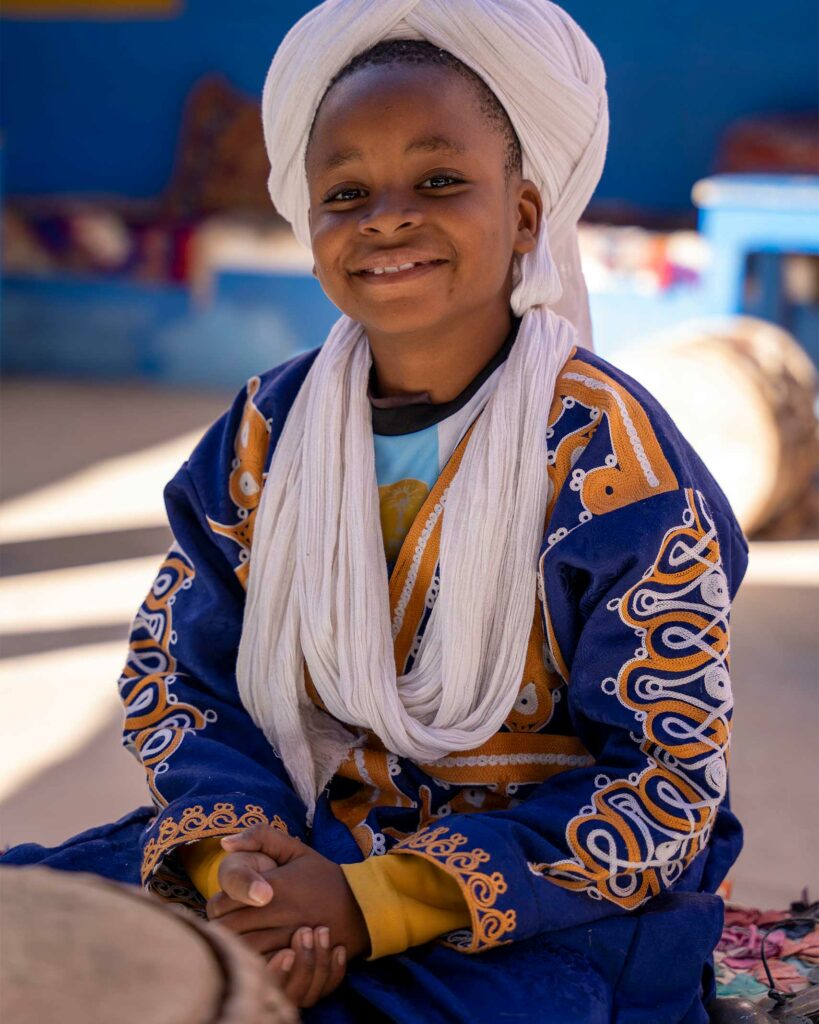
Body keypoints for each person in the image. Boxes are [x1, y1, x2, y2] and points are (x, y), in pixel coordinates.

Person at [2, 3, 749, 1021]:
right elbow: (179, 674)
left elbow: (666, 781)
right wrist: (246, 876)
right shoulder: (267, 430)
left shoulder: (616, 460)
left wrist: (371, 907)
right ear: (310, 233)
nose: (387, 216)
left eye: (439, 181)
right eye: (345, 191)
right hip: (294, 847)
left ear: (526, 214)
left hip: (534, 910)